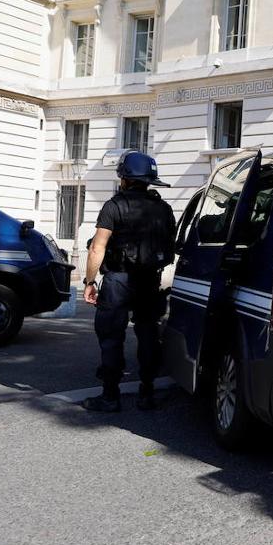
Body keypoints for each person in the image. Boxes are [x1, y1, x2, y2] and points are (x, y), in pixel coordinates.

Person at [82, 152, 177, 413]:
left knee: (112, 337)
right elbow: (171, 245)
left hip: (118, 280)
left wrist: (89, 282)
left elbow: (96, 248)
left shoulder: (114, 206)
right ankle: (146, 394)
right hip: (149, 280)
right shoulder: (163, 209)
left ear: (124, 177)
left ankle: (110, 397)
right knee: (148, 334)